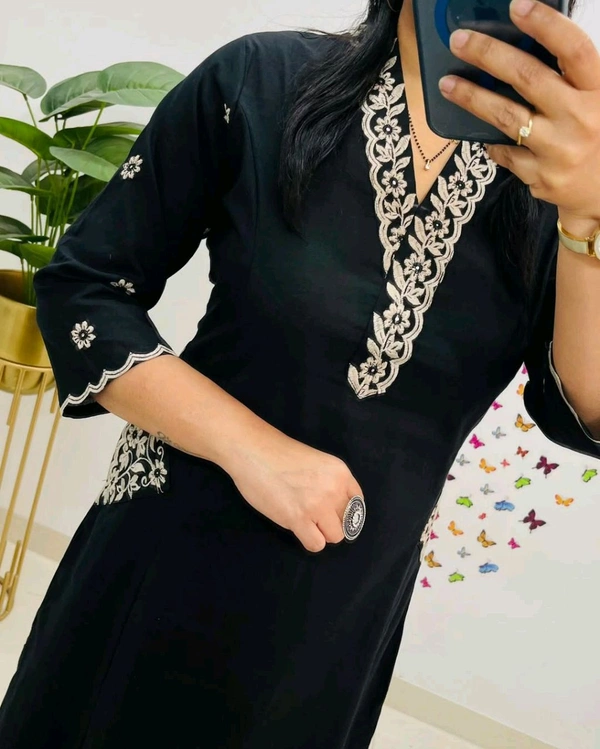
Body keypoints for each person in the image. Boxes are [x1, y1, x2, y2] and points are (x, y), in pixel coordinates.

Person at [0, 0, 597, 745]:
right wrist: (253, 449)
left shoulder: (556, 187)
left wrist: (588, 220)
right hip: (160, 563)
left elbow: (583, 409)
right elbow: (84, 289)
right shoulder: (262, 80)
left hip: (335, 625)